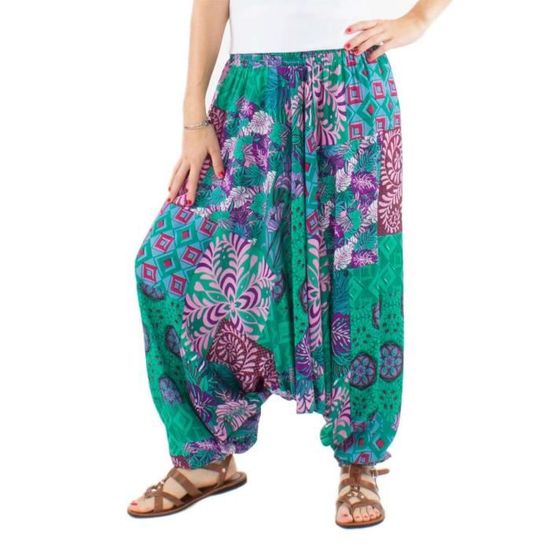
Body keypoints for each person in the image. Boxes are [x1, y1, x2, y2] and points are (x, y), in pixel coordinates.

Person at [127, 0, 451, 528]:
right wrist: (193, 118)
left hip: (351, 90)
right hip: (250, 93)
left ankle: (360, 460)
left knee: (358, 278)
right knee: (164, 266)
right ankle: (205, 457)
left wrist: (417, 19)